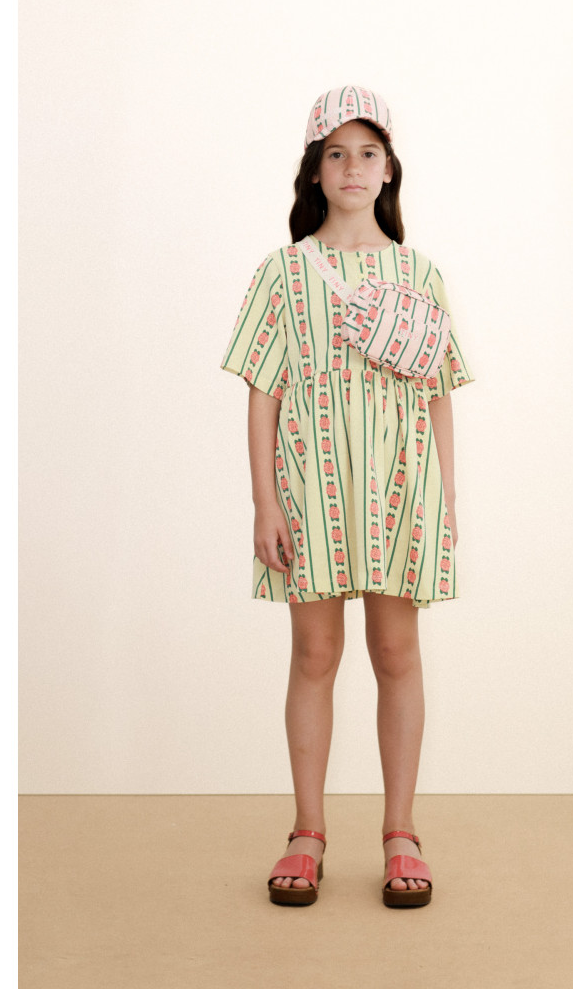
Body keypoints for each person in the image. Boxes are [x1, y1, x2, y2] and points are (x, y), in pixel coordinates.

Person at [220, 86, 474, 907]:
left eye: (368, 153)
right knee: (314, 655)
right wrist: (264, 503)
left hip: (402, 490)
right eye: (336, 154)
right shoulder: (283, 273)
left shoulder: (419, 273)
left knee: (397, 654)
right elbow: (262, 391)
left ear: (389, 168)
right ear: (314, 171)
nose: (353, 167)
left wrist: (447, 498)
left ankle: (401, 834)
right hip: (311, 490)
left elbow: (438, 391)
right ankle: (307, 832)